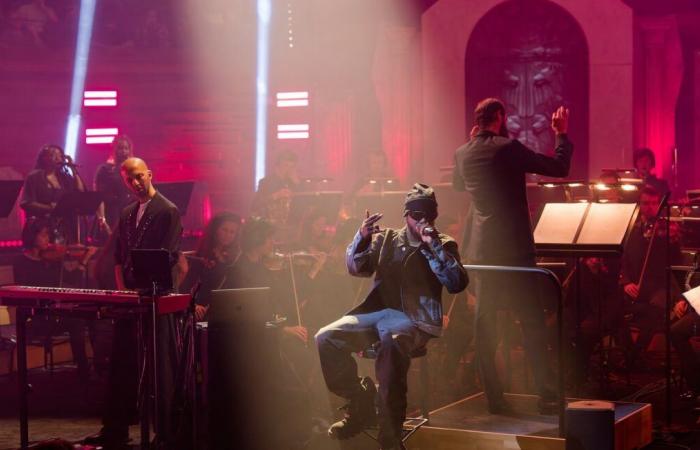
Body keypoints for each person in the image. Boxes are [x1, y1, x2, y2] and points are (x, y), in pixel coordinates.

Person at [315, 183, 468, 450]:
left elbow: (456, 283)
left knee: (392, 346)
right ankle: (360, 402)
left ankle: (390, 438)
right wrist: (361, 236)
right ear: (405, 215)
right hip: (375, 313)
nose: (422, 221)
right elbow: (357, 268)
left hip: (415, 318)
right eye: (416, 215)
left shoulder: (443, 243)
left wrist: (432, 247)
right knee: (326, 337)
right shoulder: (387, 239)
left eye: (428, 216)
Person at [453, 98, 572, 414]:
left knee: (485, 327)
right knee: (532, 322)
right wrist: (561, 134)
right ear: (500, 117)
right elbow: (558, 168)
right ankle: (546, 395)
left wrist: (470, 144)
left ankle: (495, 398)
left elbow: (456, 184)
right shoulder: (508, 148)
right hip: (514, 253)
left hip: (483, 254)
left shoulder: (463, 152)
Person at [84, 157, 183, 449]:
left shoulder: (168, 210)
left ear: (150, 174)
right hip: (130, 299)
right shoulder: (127, 212)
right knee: (121, 364)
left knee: (159, 366)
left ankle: (164, 433)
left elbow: (168, 256)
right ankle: (115, 428)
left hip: (156, 298)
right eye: (130, 179)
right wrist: (124, 291)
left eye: (140, 176)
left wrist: (143, 291)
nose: (136, 183)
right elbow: (118, 257)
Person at [12, 217, 96, 380]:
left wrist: (84, 260)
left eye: (48, 235)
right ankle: (84, 370)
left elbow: (71, 281)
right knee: (76, 321)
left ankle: (94, 365)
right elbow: (26, 291)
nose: (48, 239)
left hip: (53, 314)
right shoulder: (21, 262)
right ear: (32, 237)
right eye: (43, 235)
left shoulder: (51, 261)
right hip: (35, 317)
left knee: (87, 317)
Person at [619, 186, 682, 367]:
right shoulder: (632, 229)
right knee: (612, 309)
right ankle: (629, 350)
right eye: (646, 203)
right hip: (636, 285)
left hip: (660, 286)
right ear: (639, 204)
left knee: (655, 308)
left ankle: (633, 356)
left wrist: (673, 240)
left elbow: (675, 263)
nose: (650, 207)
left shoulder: (667, 229)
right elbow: (624, 260)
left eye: (654, 203)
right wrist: (626, 282)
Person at [180, 212, 242, 321]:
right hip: (203, 311)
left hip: (224, 311)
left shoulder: (234, 258)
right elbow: (184, 287)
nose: (228, 235)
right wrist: (193, 305)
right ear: (215, 230)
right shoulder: (203, 257)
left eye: (232, 232)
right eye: (225, 230)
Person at [20, 144, 85, 243]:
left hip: (62, 229)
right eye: (53, 154)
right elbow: (26, 203)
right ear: (44, 158)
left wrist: (73, 170)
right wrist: (50, 208)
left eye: (59, 155)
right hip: (41, 228)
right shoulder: (34, 177)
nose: (57, 158)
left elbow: (80, 191)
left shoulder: (63, 177)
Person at [94, 135, 134, 232]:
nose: (124, 151)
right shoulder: (105, 169)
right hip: (112, 212)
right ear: (114, 149)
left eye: (126, 148)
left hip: (129, 210)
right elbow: (99, 197)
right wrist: (102, 219)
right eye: (120, 148)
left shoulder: (133, 169)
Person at [251, 150, 301, 223]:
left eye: (292, 167)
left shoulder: (293, 183)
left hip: (290, 226)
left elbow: (303, 206)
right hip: (271, 226)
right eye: (286, 165)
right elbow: (255, 205)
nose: (289, 170)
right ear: (277, 166)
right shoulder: (266, 182)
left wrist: (297, 184)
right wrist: (276, 195)